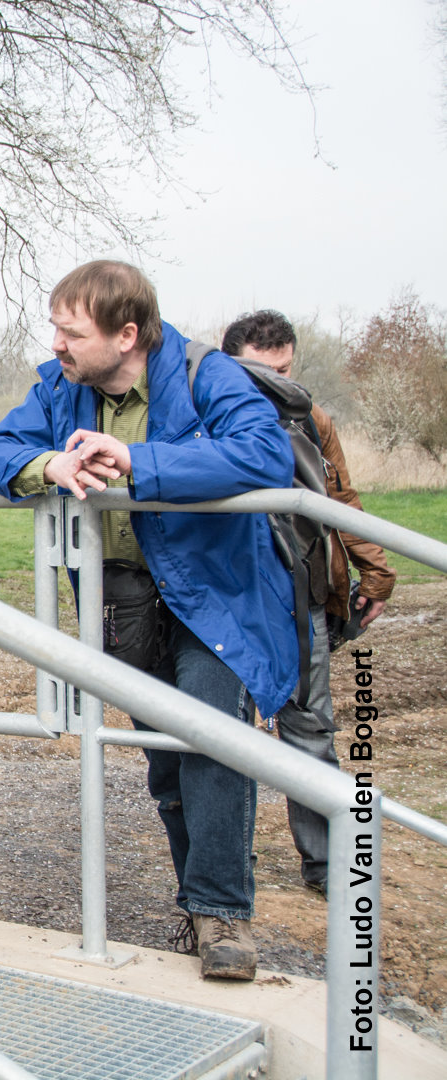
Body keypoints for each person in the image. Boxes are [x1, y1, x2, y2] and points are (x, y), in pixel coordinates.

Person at [0, 260, 296, 981]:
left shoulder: (206, 373)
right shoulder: (62, 388)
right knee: (166, 761)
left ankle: (221, 916)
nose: (55, 344)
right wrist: (48, 464)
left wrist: (139, 461)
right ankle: (199, 899)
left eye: (69, 331)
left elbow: (265, 455)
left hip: (213, 596)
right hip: (123, 599)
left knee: (212, 738)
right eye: (54, 328)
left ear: (126, 335)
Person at [221, 309, 395, 895]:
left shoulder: (310, 417)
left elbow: (340, 496)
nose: (276, 384)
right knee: (220, 731)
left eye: (285, 371)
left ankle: (328, 866)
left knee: (310, 726)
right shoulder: (206, 416)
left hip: (303, 594)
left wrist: (375, 568)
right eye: (261, 373)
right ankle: (221, 877)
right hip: (233, 597)